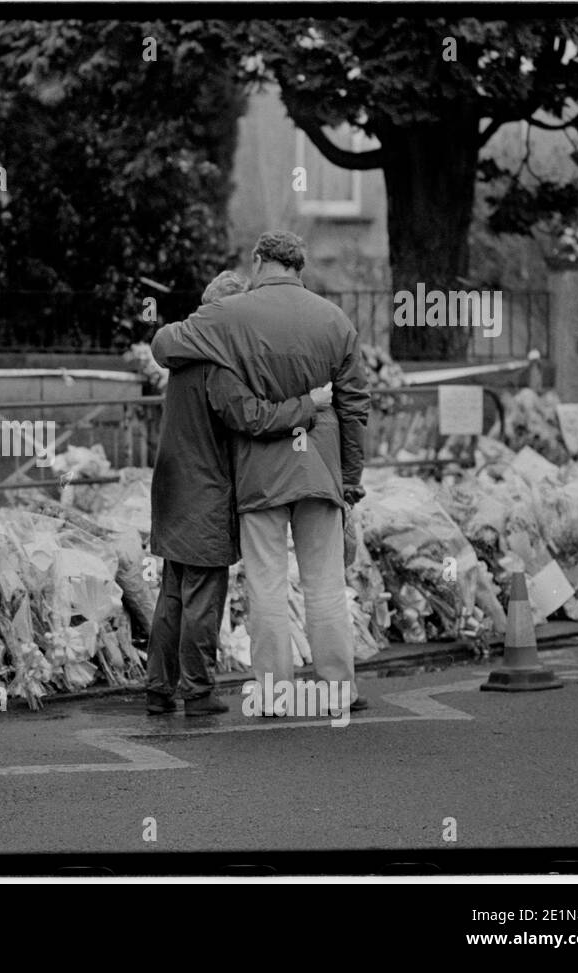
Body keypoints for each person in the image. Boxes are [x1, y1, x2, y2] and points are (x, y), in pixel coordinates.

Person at [151, 233, 371, 718]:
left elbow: (164, 344)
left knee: (266, 585)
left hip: (260, 473)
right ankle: (338, 689)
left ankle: (274, 693)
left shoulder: (231, 315)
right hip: (320, 470)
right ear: (301, 267)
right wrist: (350, 475)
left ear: (257, 262)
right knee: (326, 585)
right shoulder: (333, 319)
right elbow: (355, 404)